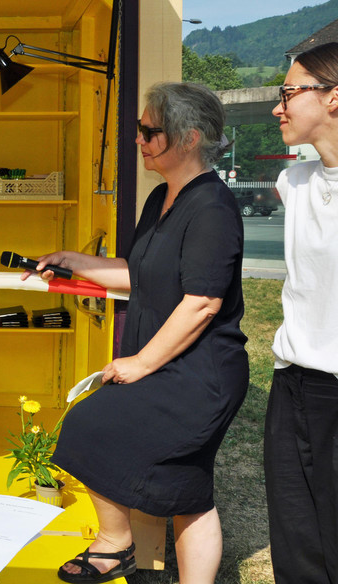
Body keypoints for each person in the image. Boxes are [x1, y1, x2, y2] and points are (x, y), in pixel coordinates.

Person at [24, 82, 248, 584]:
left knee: (89, 425)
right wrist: (72, 261)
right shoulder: (161, 198)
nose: (139, 140)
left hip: (200, 373)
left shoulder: (212, 207)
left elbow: (203, 302)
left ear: (189, 138)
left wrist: (141, 363)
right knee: (189, 490)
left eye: (150, 131)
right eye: (140, 130)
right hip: (172, 360)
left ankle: (115, 543)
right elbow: (139, 272)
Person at [264, 41, 338, 584]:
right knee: (296, 542)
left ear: (334, 97)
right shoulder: (293, 182)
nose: (278, 107)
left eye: (289, 93)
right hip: (292, 382)